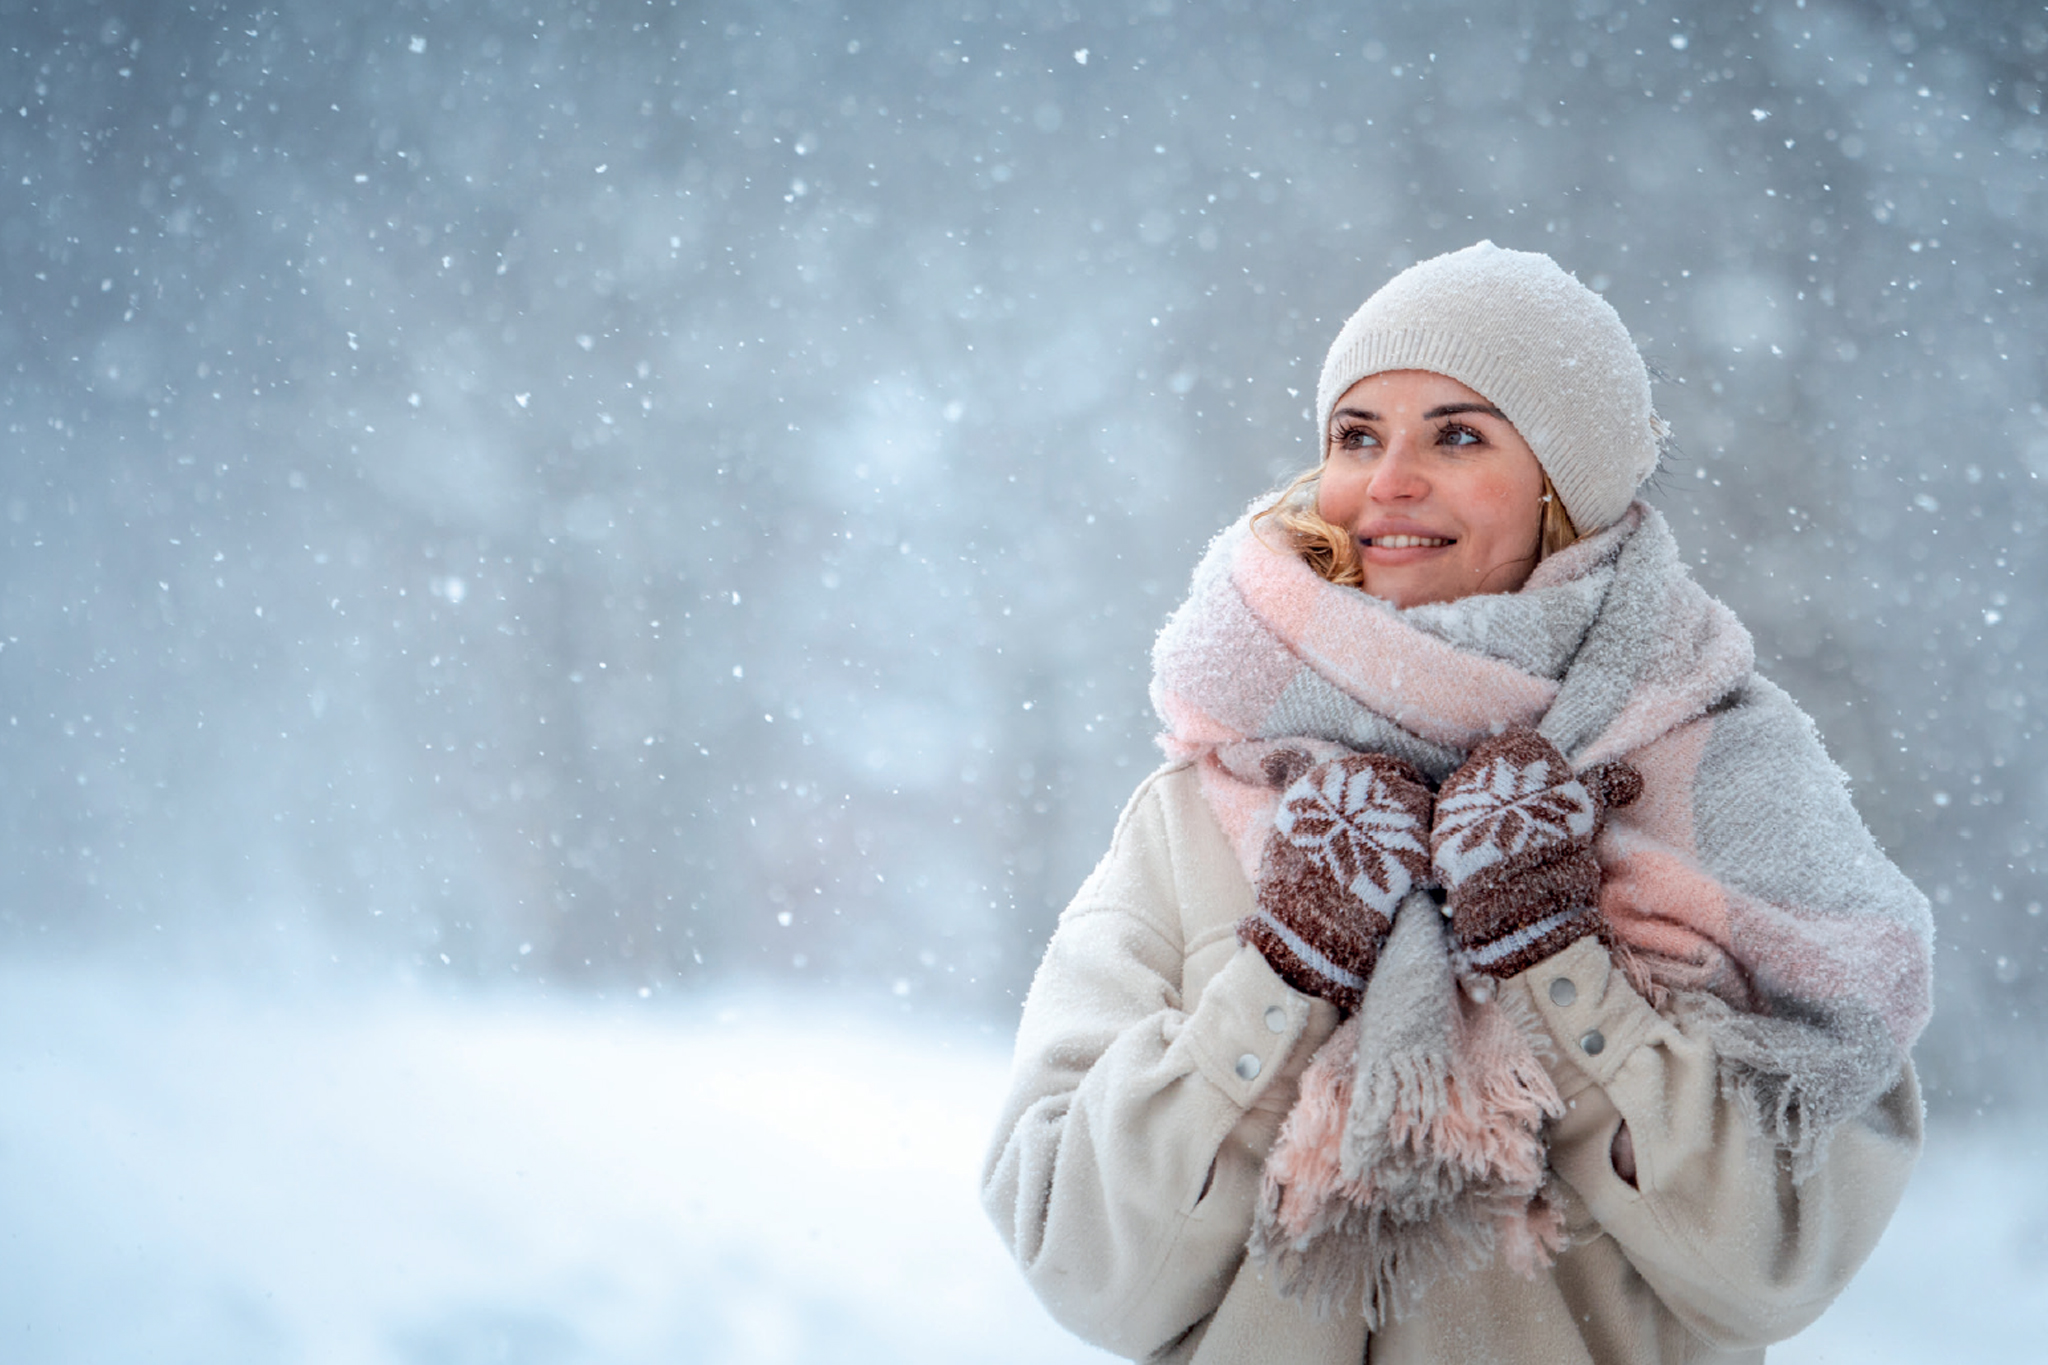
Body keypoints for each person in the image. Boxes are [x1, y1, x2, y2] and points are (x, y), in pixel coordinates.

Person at [980, 242, 1932, 1365]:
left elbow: (1772, 1265)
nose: (1386, 481)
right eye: (1355, 436)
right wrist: (1288, 967)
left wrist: (1552, 962)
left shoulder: (1726, 785)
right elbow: (1088, 1275)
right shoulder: (1210, 801)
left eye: (1457, 433)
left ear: (1565, 486)